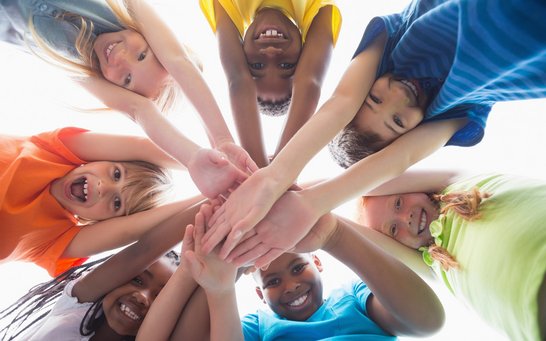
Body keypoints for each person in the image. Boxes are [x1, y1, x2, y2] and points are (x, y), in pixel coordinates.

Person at [199, 0, 546, 266]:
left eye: (374, 98)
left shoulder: (395, 39)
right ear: (413, 132)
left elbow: (341, 101)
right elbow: (402, 158)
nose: (395, 96)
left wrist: (274, 177)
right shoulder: (458, 109)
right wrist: (310, 205)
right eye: (397, 122)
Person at [0, 0, 255, 198]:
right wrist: (222, 140)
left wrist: (192, 158)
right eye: (142, 55)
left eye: (127, 80)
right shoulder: (123, 11)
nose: (121, 59)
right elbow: (179, 61)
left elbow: (139, 109)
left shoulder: (78, 65)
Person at [169, 203, 445, 340]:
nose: (290, 286)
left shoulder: (354, 298)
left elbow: (427, 321)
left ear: (318, 263)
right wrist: (220, 290)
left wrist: (335, 236)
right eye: (273, 281)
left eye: (299, 267)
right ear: (259, 294)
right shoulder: (258, 327)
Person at [356, 170, 546, 341]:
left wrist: (327, 195)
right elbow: (362, 239)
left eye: (398, 203)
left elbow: (361, 182)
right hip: (534, 313)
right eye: (394, 229)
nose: (406, 218)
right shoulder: (431, 263)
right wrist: (326, 212)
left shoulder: (454, 182)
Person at [0, 126, 204, 277]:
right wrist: (205, 164)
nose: (104, 187)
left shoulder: (56, 239)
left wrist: (211, 196)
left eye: (117, 204)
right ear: (104, 157)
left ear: (107, 222)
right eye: (116, 174)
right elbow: (141, 147)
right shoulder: (53, 151)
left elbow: (131, 230)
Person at [0, 200, 209, 340]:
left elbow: (212, 279)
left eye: (162, 297)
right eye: (137, 280)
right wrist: (219, 197)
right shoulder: (75, 308)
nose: (143, 297)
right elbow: (142, 251)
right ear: (114, 280)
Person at [199, 0, 341, 166]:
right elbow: (310, 82)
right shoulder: (314, 5)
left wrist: (258, 170)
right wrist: (281, 170)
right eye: (286, 65)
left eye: (257, 66)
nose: (271, 52)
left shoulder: (231, 4)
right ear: (305, 52)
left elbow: (238, 79)